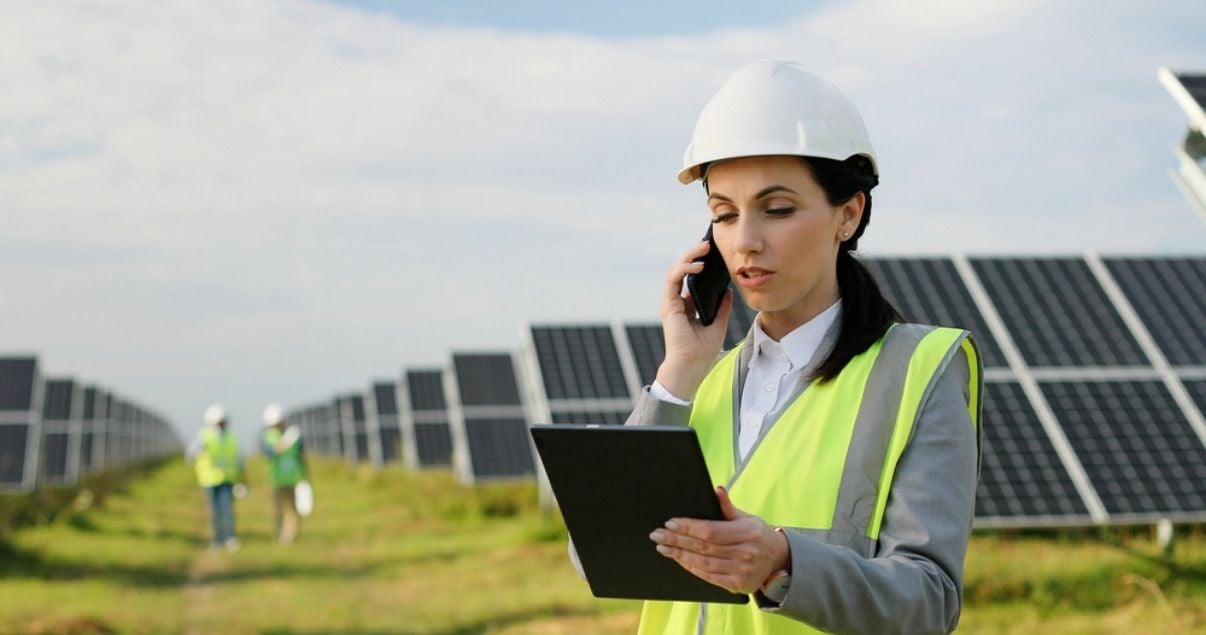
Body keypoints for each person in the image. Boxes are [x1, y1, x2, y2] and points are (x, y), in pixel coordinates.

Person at [631, 60, 983, 634]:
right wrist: (677, 375)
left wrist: (782, 564)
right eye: (723, 214)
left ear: (848, 214)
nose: (744, 241)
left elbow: (928, 603)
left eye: (777, 209)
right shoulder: (699, 384)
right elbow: (601, 553)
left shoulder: (919, 371)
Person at [187, 403, 245, 551]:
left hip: (227, 479)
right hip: (209, 480)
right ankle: (217, 539)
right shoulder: (204, 436)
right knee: (214, 511)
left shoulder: (231, 437)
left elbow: (238, 459)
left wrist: (241, 478)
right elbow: (191, 454)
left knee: (227, 510)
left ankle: (230, 537)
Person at [261, 403, 308, 545]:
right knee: (278, 509)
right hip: (276, 479)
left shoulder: (294, 436)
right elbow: (271, 452)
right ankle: (279, 532)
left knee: (291, 509)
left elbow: (300, 456)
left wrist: (304, 476)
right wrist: (285, 441)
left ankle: (289, 535)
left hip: (293, 477)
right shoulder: (269, 437)